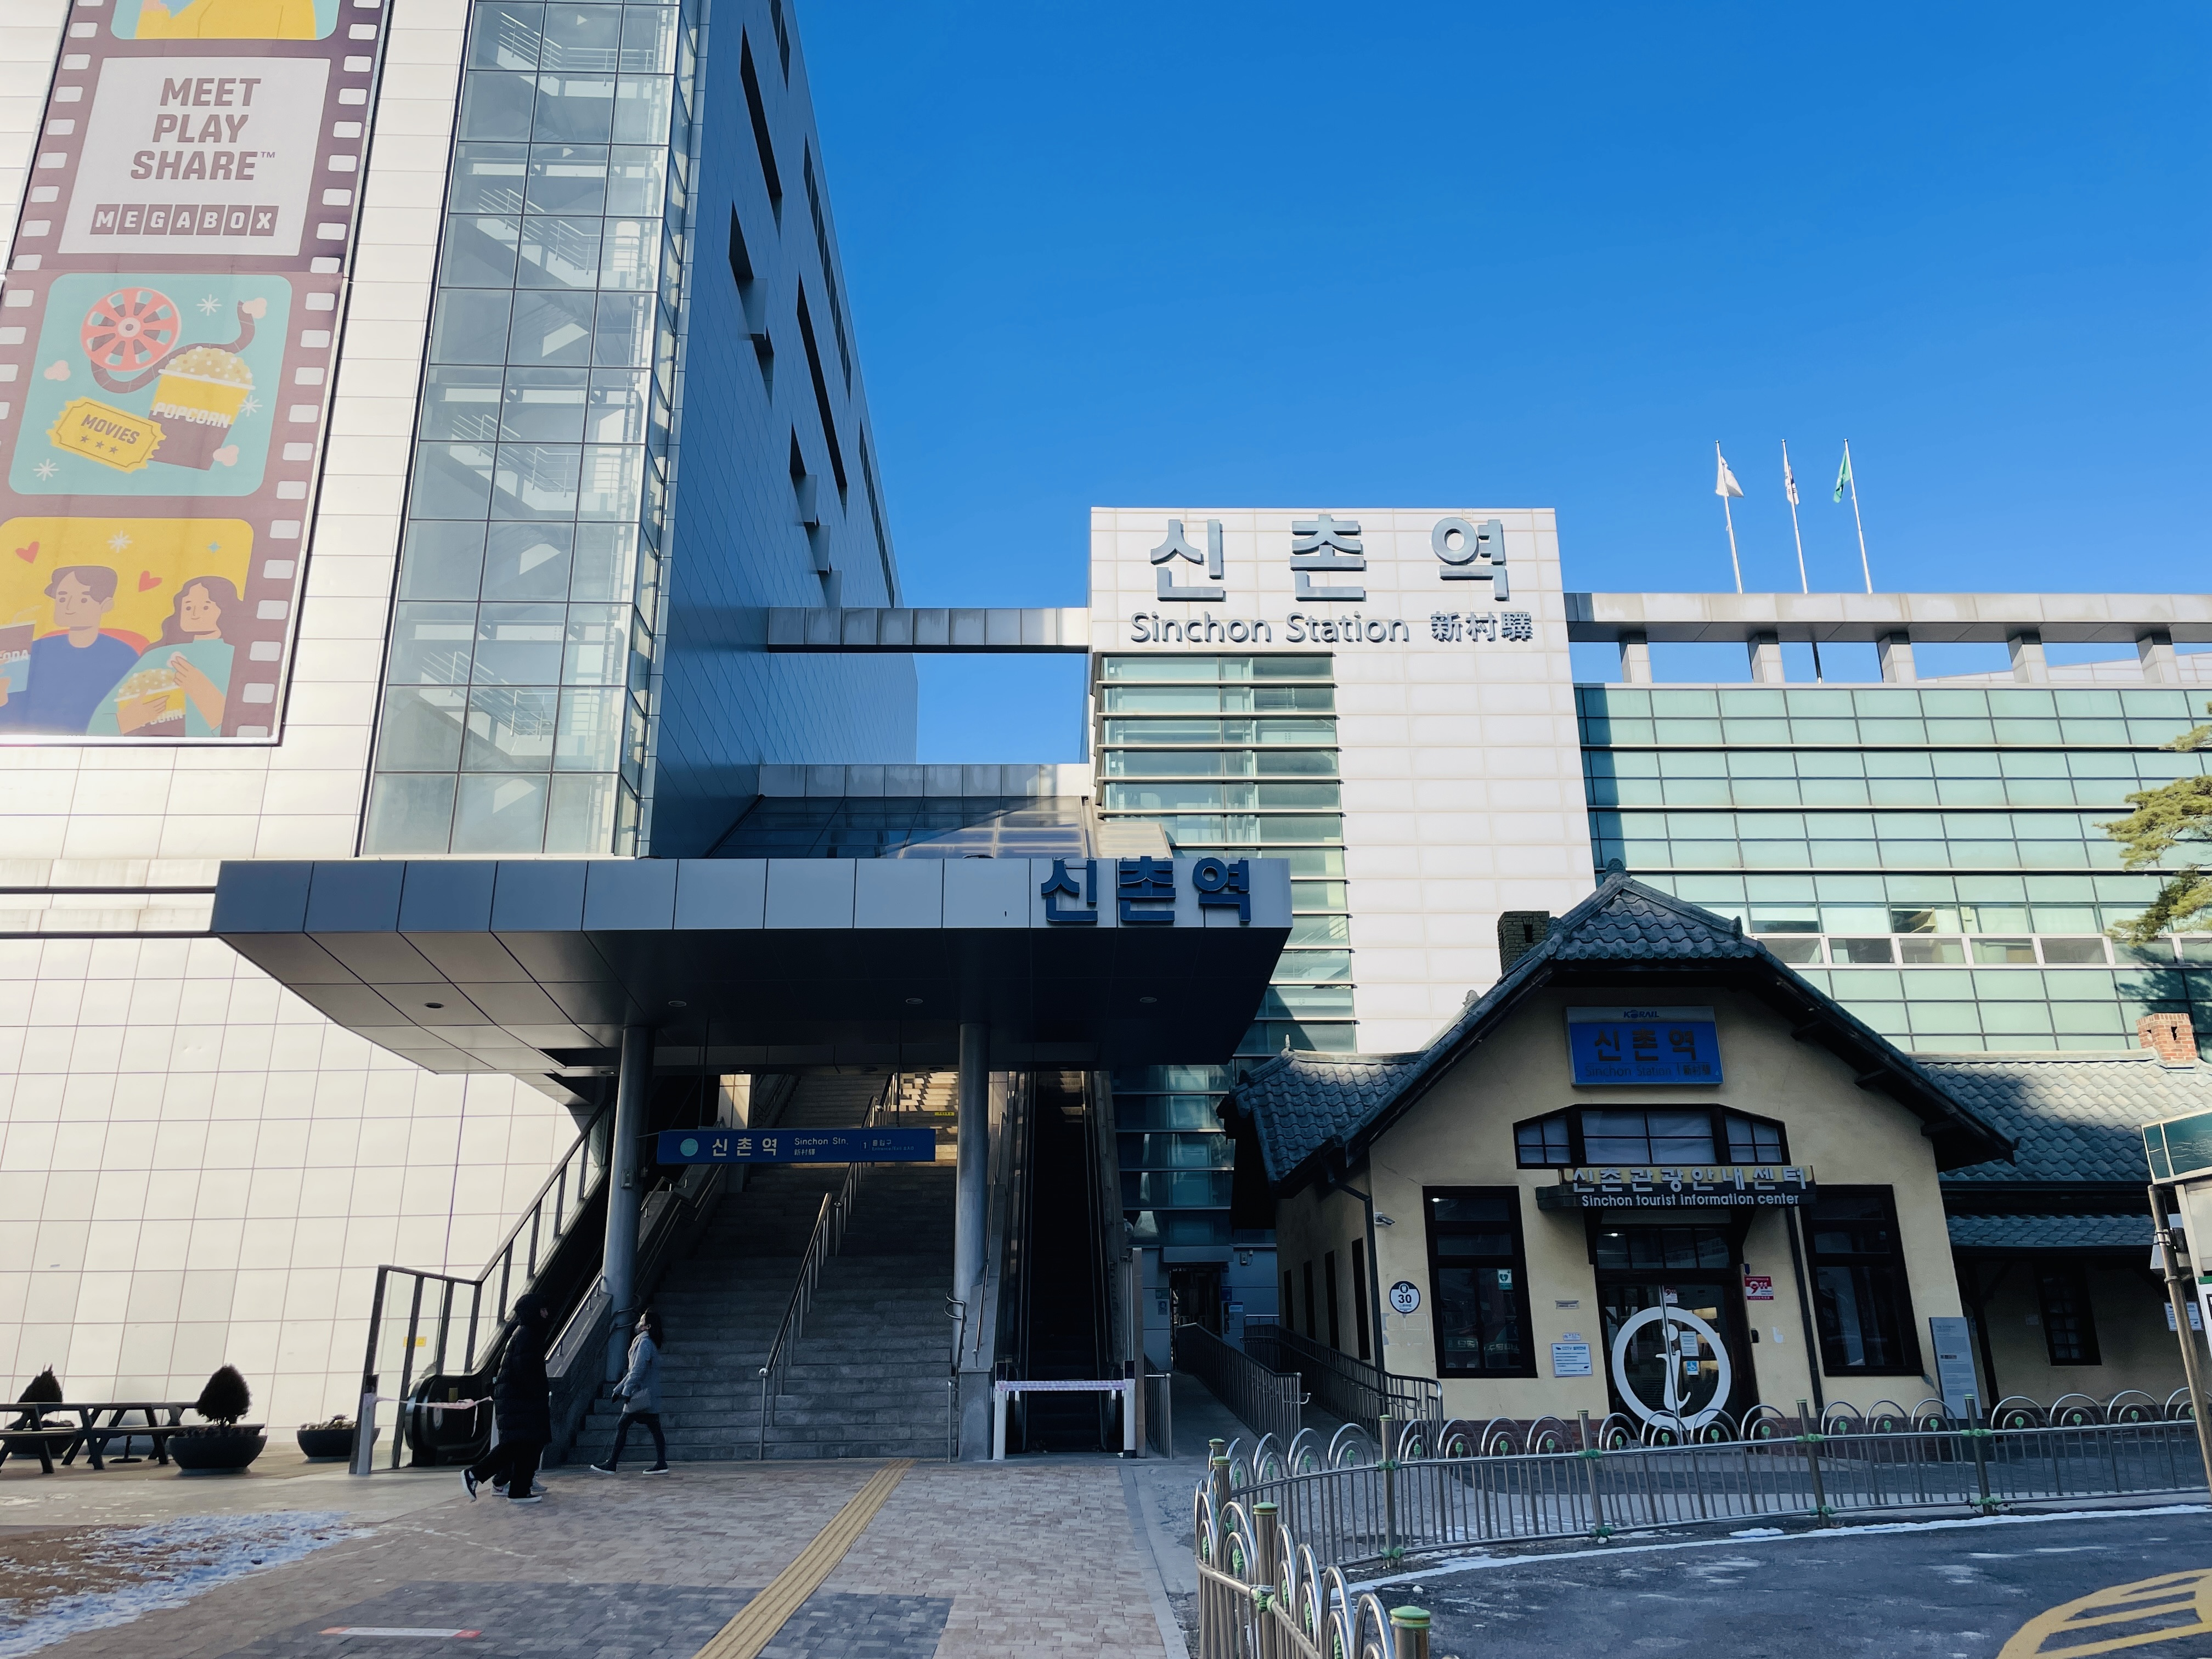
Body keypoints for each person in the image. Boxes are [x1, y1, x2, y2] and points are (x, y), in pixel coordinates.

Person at [86, 574, 238, 737]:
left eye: (206, 607)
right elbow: (97, 726)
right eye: (188, 607)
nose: (194, 614)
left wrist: (203, 692)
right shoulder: (158, 655)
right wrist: (126, 720)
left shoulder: (238, 657)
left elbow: (241, 728)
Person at [0, 566, 140, 733]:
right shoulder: (34, 652)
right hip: (35, 744)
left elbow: (131, 713)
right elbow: (10, 721)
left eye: (83, 600)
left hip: (95, 745)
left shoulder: (123, 656)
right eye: (62, 598)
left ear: (106, 605)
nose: (68, 607)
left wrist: (120, 724)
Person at [464, 1292, 554, 1504]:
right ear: (534, 1312)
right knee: (518, 1444)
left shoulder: (525, 1333)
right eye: (542, 1310)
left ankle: (519, 1490)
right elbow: (525, 1369)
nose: (546, 1314)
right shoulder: (528, 1335)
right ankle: (475, 1474)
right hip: (522, 1400)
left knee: (527, 1444)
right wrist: (538, 1393)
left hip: (519, 1399)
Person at [591, 1308, 668, 1474]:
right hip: (648, 1394)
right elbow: (634, 1371)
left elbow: (637, 1371)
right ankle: (661, 1463)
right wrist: (619, 1389)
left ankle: (612, 1464)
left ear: (647, 1326)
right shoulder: (646, 1342)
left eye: (642, 1320)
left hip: (641, 1394)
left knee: (623, 1424)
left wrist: (625, 1392)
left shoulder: (645, 1343)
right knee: (654, 1427)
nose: (639, 1323)